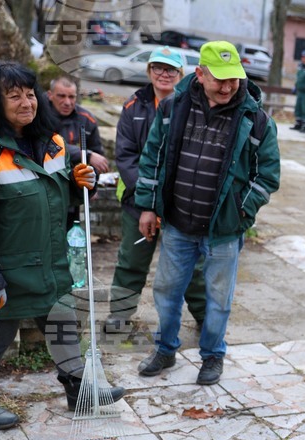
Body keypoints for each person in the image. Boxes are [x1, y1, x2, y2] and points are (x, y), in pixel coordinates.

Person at [0, 62, 124, 430]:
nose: (27, 103)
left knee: (62, 323)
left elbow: (53, 195)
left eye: (30, 94)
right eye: (14, 96)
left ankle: (80, 389)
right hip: (3, 268)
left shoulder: (51, 143)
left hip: (48, 262)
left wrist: (78, 184)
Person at [135, 41, 280, 386]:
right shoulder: (173, 108)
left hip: (224, 232)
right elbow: (153, 157)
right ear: (200, 74)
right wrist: (148, 205)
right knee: (166, 291)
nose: (228, 86)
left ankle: (213, 356)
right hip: (178, 225)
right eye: (220, 79)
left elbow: (267, 176)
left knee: (219, 300)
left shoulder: (257, 121)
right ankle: (165, 349)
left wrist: (240, 212)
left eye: (234, 79)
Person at [104, 47, 206, 334]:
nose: (164, 74)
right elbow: (126, 156)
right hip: (138, 201)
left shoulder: (194, 106)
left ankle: (205, 317)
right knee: (132, 260)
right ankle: (120, 315)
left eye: (171, 69)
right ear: (149, 71)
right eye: (158, 68)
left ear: (181, 74)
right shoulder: (133, 107)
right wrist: (148, 200)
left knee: (191, 266)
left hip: (181, 202)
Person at [47, 74, 109, 227]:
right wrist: (86, 154)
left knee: (70, 231)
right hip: (46, 185)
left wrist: (92, 184)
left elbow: (97, 155)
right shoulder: (38, 115)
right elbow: (46, 144)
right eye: (61, 96)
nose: (67, 102)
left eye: (72, 97)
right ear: (50, 95)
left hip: (73, 187)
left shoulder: (86, 119)